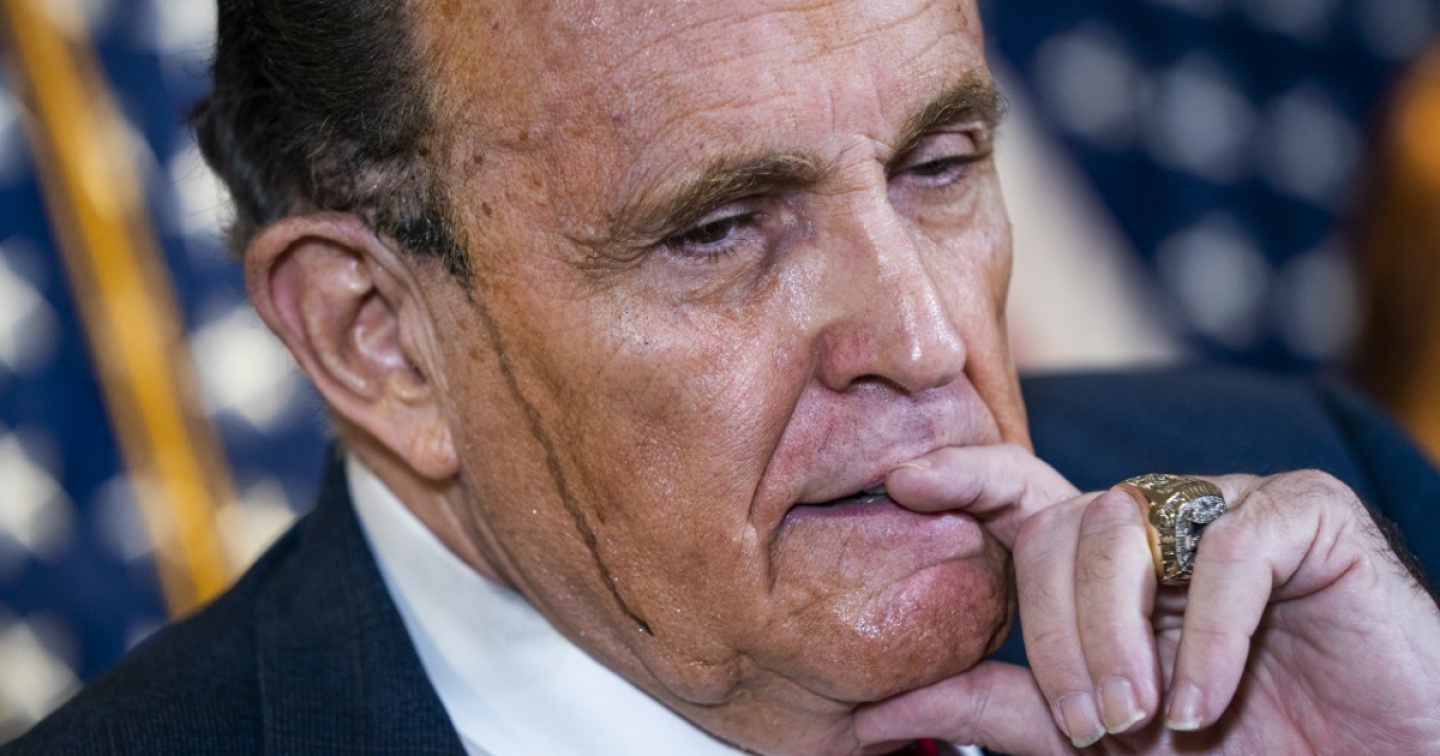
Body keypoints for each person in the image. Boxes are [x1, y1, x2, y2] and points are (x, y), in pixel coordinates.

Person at [7, 0, 1440, 754]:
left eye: (941, 165)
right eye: (718, 231)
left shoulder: (1333, 538)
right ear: (377, 338)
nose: (925, 341)